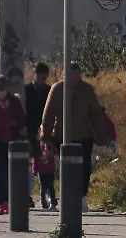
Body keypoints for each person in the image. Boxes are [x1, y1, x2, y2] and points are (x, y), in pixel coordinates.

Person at [40, 62, 109, 212]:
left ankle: (82, 197)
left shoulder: (87, 90)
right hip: (61, 136)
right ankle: (67, 197)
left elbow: (96, 114)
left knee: (84, 167)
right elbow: (49, 113)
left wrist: (103, 136)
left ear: (79, 75)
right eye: (69, 75)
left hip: (84, 135)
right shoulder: (57, 89)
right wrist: (45, 136)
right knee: (66, 168)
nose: (72, 78)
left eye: (75, 75)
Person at [0, 75, 26, 215]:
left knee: (12, 174)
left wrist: (16, 125)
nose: (1, 89)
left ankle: (10, 202)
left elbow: (22, 118)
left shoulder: (13, 100)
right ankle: (0, 202)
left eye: (3, 86)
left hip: (12, 142)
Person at [23, 63, 52, 200]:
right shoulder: (26, 90)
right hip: (29, 130)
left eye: (45, 74)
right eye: (40, 74)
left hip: (46, 130)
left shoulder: (50, 90)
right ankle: (27, 194)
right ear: (35, 74)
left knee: (44, 163)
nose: (42, 77)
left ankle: (45, 191)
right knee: (28, 164)